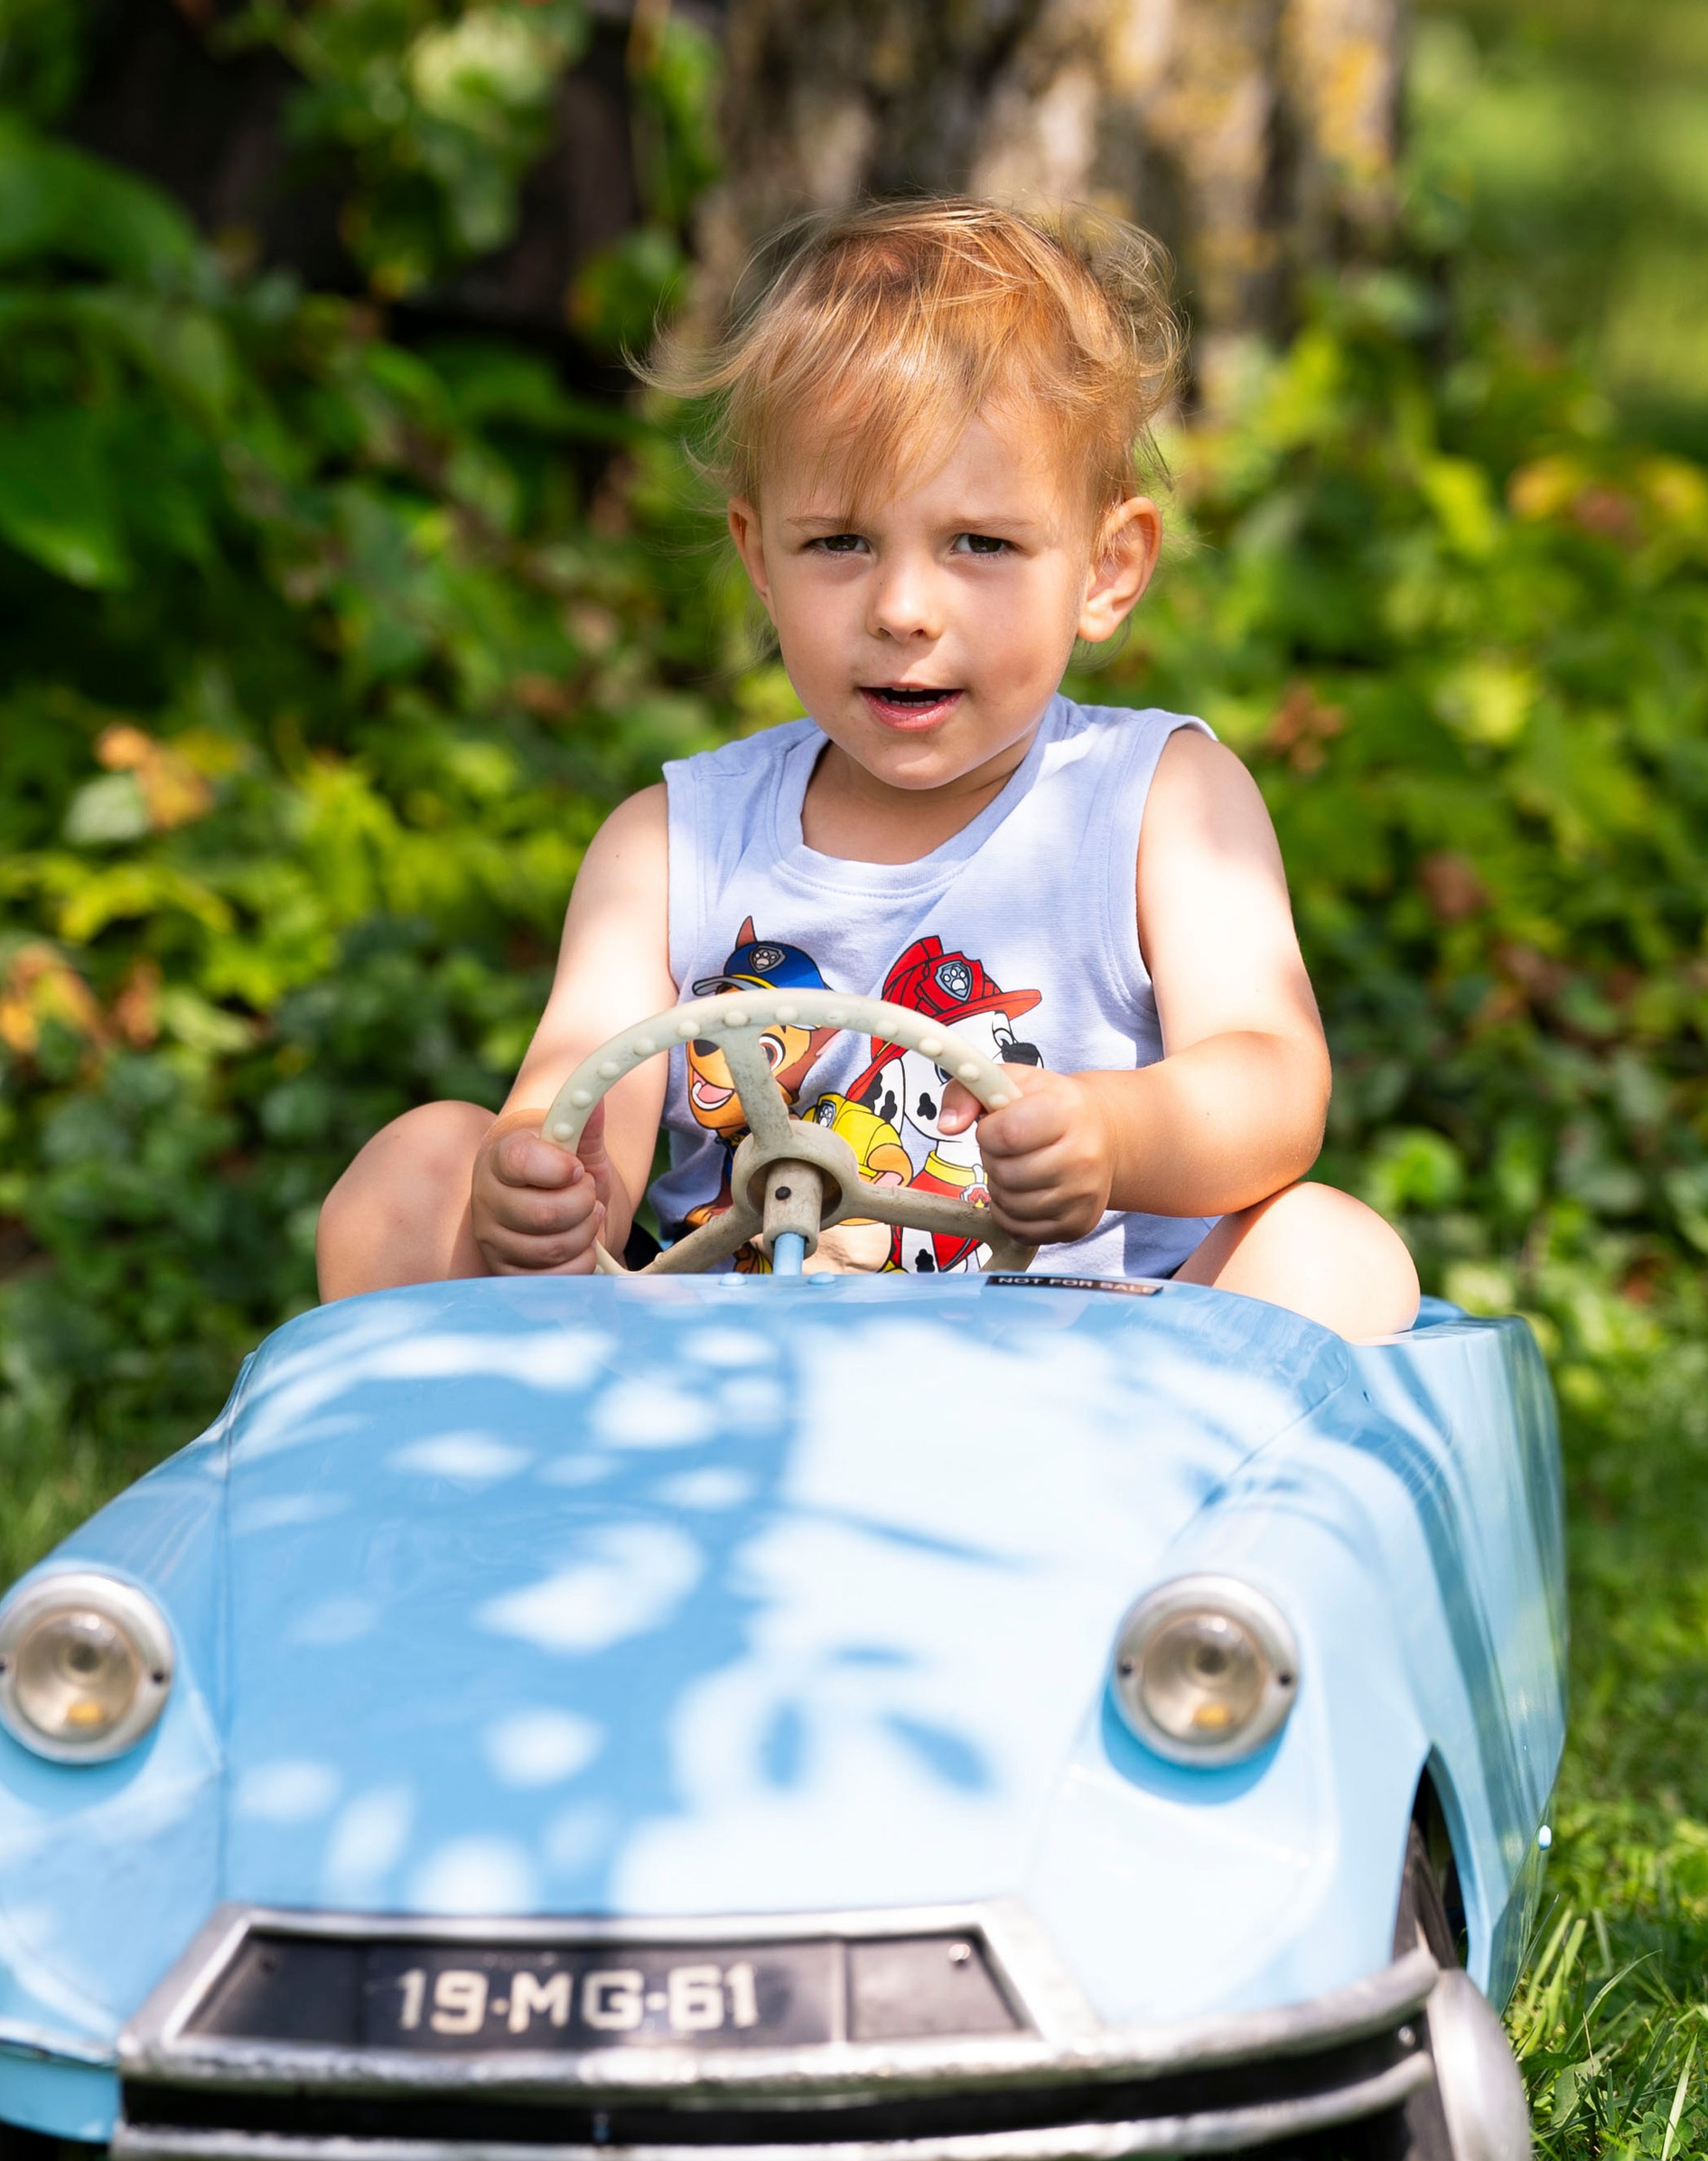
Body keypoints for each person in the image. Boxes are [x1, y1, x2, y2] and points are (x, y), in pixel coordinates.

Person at [317, 200, 1418, 1338]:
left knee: (1333, 1250)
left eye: (979, 544)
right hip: (712, 1380)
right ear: (759, 556)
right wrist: (546, 1177)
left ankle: (1152, 1506)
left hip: (1070, 1388)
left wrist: (1113, 1132)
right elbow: (580, 1081)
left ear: (1106, 566)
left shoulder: (1158, 802)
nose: (902, 609)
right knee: (418, 1169)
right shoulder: (672, 841)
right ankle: (474, 1498)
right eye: (839, 541)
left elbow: (1274, 1081)